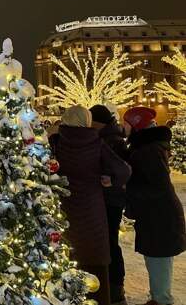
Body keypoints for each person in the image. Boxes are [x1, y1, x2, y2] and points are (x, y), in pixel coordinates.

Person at [49, 105, 131, 305]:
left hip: (65, 209)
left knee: (68, 254)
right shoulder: (97, 142)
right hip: (93, 209)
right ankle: (98, 297)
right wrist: (110, 180)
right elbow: (123, 170)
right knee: (94, 257)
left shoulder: (56, 143)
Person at [124, 107, 185, 305]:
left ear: (136, 126)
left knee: (159, 261)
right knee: (156, 260)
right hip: (157, 216)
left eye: (127, 123)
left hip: (160, 217)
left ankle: (161, 301)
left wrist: (126, 188)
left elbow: (155, 187)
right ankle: (158, 298)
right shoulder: (147, 147)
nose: (123, 126)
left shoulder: (147, 151)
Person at [90, 104, 130, 305]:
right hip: (109, 199)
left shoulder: (110, 140)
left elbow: (124, 170)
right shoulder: (109, 136)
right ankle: (113, 285)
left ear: (98, 122)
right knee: (109, 242)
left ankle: (116, 286)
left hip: (111, 200)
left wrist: (111, 180)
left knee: (111, 243)